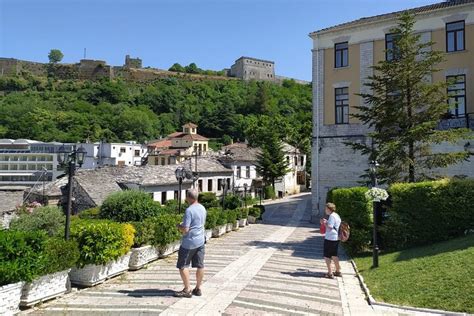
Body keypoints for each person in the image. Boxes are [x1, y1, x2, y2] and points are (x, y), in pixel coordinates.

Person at [174, 188, 207, 298]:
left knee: (182, 265)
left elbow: (186, 229)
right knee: (200, 265)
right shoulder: (202, 208)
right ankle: (198, 288)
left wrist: (179, 226)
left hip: (189, 242)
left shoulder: (189, 210)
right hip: (201, 240)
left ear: (188, 197)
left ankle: (187, 289)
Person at [320, 202, 342, 279]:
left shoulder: (332, 216)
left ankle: (330, 273)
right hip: (335, 238)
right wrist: (327, 222)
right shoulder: (336, 215)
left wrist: (324, 223)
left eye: (326, 209)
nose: (325, 210)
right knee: (334, 255)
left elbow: (329, 227)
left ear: (329, 209)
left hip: (330, 238)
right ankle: (338, 271)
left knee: (327, 255)